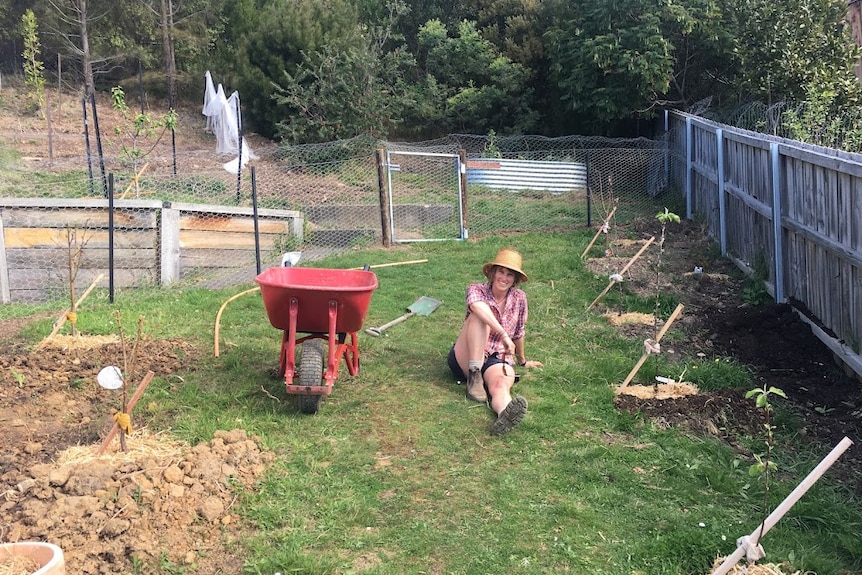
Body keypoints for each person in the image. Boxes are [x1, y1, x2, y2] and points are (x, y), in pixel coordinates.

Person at [447, 248, 543, 435]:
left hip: (496, 358)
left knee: (500, 386)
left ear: (514, 280)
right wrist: (503, 334)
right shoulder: (476, 289)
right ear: (492, 273)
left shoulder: (520, 298)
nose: (504, 278)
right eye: (501, 272)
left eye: (509, 275)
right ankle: (474, 376)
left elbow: (519, 332)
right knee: (479, 317)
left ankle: (504, 414)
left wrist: (523, 360)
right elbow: (475, 306)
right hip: (468, 355)